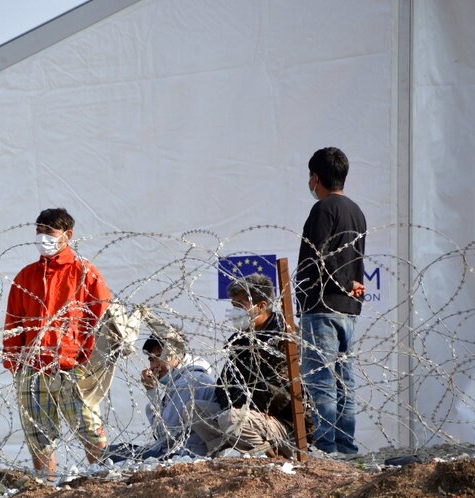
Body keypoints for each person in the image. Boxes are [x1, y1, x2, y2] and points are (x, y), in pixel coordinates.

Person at [3, 208, 111, 480]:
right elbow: (14, 324)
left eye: (49, 233)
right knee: (40, 438)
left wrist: (86, 359)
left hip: (72, 367)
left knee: (89, 428)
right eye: (38, 233)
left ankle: (103, 484)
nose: (42, 239)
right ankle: (46, 491)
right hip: (33, 369)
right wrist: (15, 364)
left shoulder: (85, 273)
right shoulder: (25, 277)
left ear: (67, 235)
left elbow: (100, 317)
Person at [296, 147, 367, 455]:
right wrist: (349, 287)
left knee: (322, 380)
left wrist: (336, 284)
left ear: (317, 177)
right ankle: (345, 445)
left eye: (311, 176)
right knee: (343, 380)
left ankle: (326, 447)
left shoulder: (323, 210)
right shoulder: (356, 211)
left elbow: (316, 259)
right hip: (348, 309)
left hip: (323, 306)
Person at [191, 274, 297, 458]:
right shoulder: (239, 340)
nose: (235, 311)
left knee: (232, 417)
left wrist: (240, 407)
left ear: (262, 306)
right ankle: (227, 453)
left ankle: (269, 456)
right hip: (244, 414)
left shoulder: (283, 339)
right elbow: (223, 385)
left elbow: (279, 393)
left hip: (279, 421)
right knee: (196, 408)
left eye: (240, 305)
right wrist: (233, 404)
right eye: (233, 306)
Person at [136, 330, 217, 460]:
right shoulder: (181, 379)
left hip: (185, 455)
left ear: (177, 355)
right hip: (177, 451)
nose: (153, 366)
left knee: (110, 455)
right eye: (151, 359)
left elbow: (165, 435)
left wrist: (152, 393)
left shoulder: (189, 382)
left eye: (159, 358)